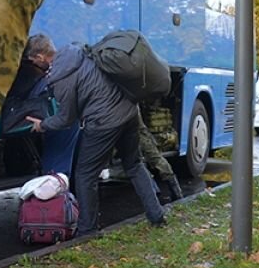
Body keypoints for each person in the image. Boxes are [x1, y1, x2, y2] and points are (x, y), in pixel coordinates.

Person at [26, 42, 167, 234]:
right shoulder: (80, 52)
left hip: (104, 122)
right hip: (130, 112)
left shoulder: (61, 76)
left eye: (32, 60)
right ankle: (157, 215)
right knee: (134, 164)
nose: (32, 64)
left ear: (41, 57)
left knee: (85, 175)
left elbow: (66, 118)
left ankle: (87, 230)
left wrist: (41, 125)